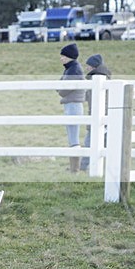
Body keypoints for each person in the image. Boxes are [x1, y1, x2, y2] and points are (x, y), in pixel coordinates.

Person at [80, 54, 112, 172]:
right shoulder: (102, 77)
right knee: (105, 143)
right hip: (102, 115)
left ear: (94, 66)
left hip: (98, 115)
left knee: (90, 142)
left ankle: (83, 167)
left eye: (88, 65)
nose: (86, 68)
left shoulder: (96, 78)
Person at [57, 43, 86, 173]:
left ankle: (75, 169)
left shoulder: (74, 69)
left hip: (73, 104)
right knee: (72, 136)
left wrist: (60, 88)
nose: (61, 58)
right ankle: (74, 168)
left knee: (73, 137)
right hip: (71, 104)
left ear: (69, 56)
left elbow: (63, 89)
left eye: (63, 56)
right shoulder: (70, 68)